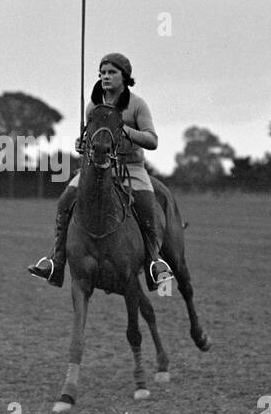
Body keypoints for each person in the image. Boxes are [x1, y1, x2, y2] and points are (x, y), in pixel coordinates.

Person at [28, 53, 174, 290]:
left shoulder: (137, 104)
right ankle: (55, 261)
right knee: (65, 200)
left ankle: (153, 263)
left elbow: (152, 140)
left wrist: (126, 131)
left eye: (111, 72)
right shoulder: (93, 105)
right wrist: (81, 145)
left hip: (131, 168)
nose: (105, 77)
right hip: (97, 168)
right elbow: (91, 139)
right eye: (102, 73)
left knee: (147, 206)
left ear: (124, 77)